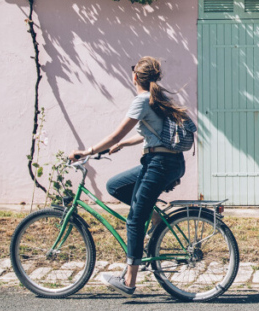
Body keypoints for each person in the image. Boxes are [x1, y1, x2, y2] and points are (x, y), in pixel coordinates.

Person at [70, 57, 188, 297]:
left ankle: (130, 281)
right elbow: (152, 134)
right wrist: (124, 144)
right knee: (115, 186)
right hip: (167, 162)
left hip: (159, 164)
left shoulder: (143, 100)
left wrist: (88, 151)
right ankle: (155, 218)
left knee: (134, 220)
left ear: (135, 76)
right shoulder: (158, 99)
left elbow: (114, 134)